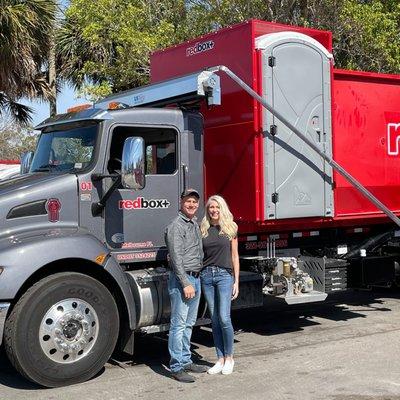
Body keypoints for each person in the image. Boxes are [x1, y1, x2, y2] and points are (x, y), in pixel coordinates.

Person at [165, 188, 208, 383]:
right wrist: (185, 283)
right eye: (188, 201)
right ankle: (176, 366)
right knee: (179, 324)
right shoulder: (177, 226)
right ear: (181, 203)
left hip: (196, 278)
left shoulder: (193, 224)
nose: (192, 204)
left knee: (189, 324)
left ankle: (186, 360)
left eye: (195, 202)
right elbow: (176, 259)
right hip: (184, 280)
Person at [200, 195, 240, 375]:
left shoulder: (230, 228)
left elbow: (234, 256)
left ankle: (230, 357)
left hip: (224, 276)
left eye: (216, 207)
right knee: (214, 320)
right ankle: (220, 358)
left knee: (224, 318)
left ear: (221, 208)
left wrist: (236, 281)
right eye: (210, 207)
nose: (213, 210)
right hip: (206, 276)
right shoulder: (203, 229)